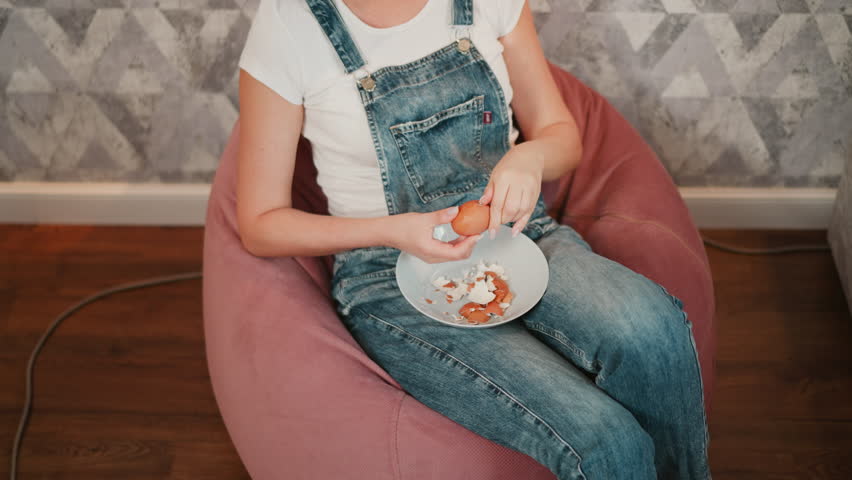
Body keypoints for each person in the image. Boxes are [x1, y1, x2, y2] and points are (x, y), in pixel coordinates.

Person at [235, 0, 712, 478]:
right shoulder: (289, 24)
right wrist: (392, 230)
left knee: (654, 331)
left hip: (516, 234)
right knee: (607, 441)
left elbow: (561, 137)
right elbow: (260, 224)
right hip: (388, 274)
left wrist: (531, 157)